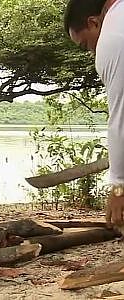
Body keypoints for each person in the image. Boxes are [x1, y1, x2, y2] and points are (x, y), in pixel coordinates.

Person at [64, 0, 124, 227]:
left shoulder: (113, 37)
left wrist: (119, 187)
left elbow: (121, 118)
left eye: (85, 44)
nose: (91, 52)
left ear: (93, 22)